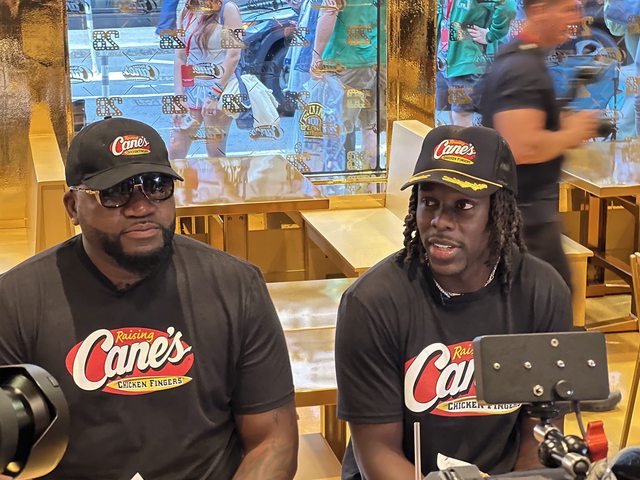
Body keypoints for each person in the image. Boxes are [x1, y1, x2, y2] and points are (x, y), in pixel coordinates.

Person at [0, 117, 298, 479]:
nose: (141, 207)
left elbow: (272, 440)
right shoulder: (15, 302)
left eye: (157, 186)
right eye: (115, 192)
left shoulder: (236, 286)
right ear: (72, 207)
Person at [335, 125, 573, 479]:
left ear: (499, 210)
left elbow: (538, 439)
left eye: (463, 205)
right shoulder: (371, 303)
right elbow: (378, 452)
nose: (440, 222)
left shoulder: (542, 292)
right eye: (429, 202)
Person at [477, 0, 599, 288]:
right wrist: (572, 133)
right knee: (551, 306)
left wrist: (558, 126)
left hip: (527, 221)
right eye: (568, 9)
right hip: (526, 227)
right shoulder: (521, 68)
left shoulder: (524, 59)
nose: (577, 18)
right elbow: (521, 147)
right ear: (540, 10)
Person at [170, 0, 242, 159]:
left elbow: (234, 55)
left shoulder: (227, 9)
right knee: (175, 152)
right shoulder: (186, 10)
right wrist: (179, 97)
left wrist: (214, 94)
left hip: (219, 88)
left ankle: (220, 177)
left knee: (215, 154)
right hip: (191, 90)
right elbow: (180, 57)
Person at [436, 0, 517, 127]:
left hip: (466, 68)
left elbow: (507, 6)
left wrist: (491, 34)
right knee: (443, 116)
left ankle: (466, 140)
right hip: (443, 65)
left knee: (460, 116)